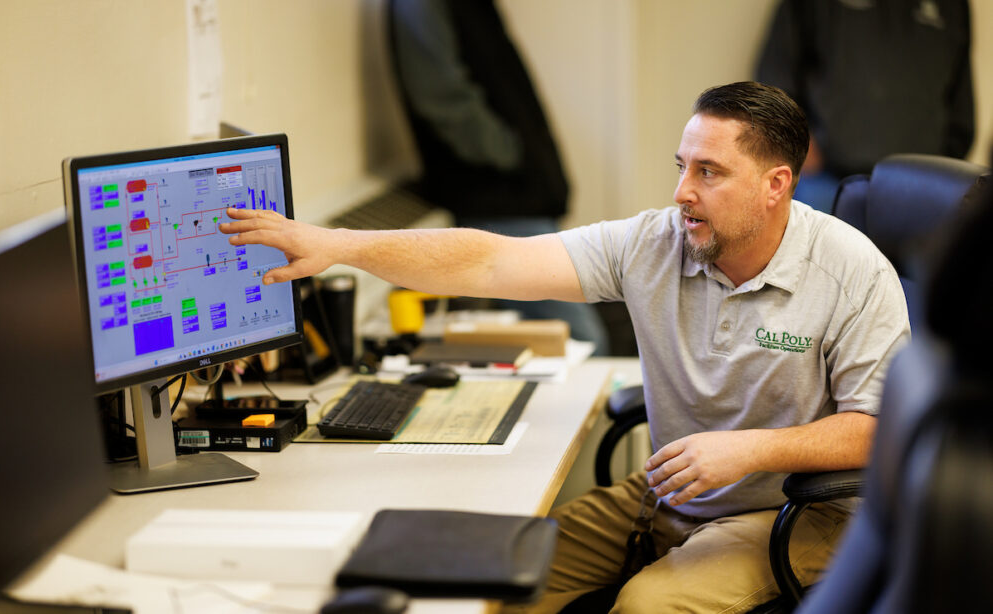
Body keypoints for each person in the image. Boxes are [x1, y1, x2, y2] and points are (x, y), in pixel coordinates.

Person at [220, 81, 911, 611]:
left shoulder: (849, 271)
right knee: (492, 581)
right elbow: (489, 262)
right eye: (681, 167)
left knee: (646, 605)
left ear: (775, 186)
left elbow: (879, 431)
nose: (681, 193)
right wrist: (337, 246)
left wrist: (749, 448)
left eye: (708, 172)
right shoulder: (657, 242)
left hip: (797, 511)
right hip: (671, 495)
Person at [387, 0, 609, 354]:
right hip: (497, 200)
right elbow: (440, 95)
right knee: (584, 343)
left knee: (564, 344)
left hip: (518, 197)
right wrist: (509, 154)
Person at [756, 0, 974, 213]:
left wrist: (948, 171)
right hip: (827, 180)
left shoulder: (953, 6)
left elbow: (961, 102)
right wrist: (796, 144)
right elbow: (776, 75)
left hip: (920, 190)